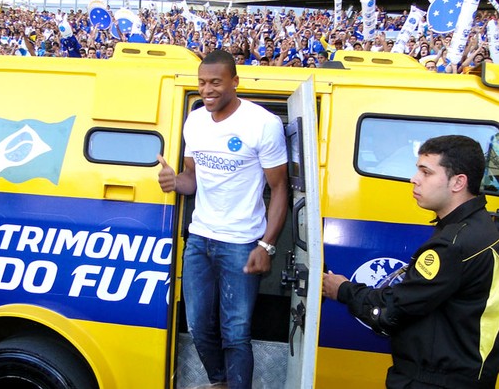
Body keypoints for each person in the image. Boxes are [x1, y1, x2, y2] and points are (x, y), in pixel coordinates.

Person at [323, 135, 499, 389]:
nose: (413, 179)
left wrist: (343, 290)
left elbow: (391, 311)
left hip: (432, 381)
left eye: (426, 172)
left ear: (458, 182)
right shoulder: (483, 228)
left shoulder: (451, 245)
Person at [157, 50, 288, 389]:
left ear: (234, 82)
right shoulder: (195, 120)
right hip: (199, 238)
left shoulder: (263, 124)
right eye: (202, 82)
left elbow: (280, 189)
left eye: (215, 82)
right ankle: (219, 382)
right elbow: (191, 178)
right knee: (199, 325)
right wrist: (175, 182)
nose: (207, 89)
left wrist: (266, 245)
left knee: (236, 332)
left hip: (241, 242)